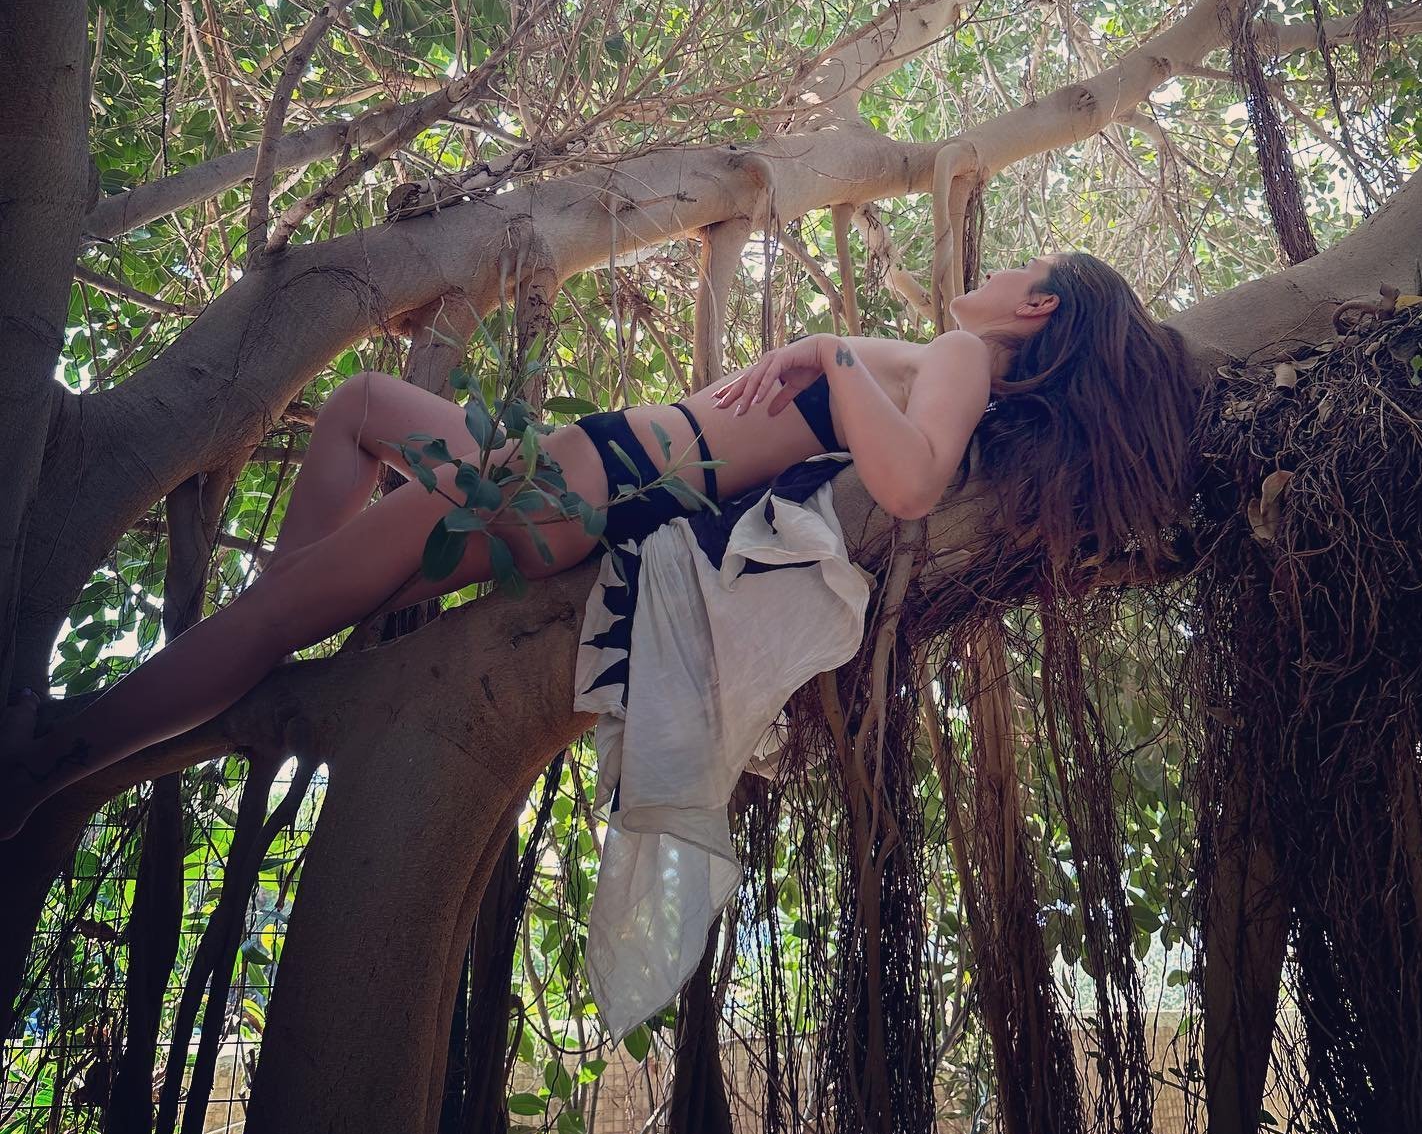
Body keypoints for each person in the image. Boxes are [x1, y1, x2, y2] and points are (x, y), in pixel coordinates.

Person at [0, 252, 1197, 838]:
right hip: (588, 483)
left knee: (285, 580)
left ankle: (49, 759)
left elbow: (913, 479)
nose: (993, 270)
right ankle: (255, 655)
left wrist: (832, 350)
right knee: (354, 430)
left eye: (1019, 267)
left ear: (1039, 305)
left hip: (592, 478)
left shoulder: (962, 356)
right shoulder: (960, 371)